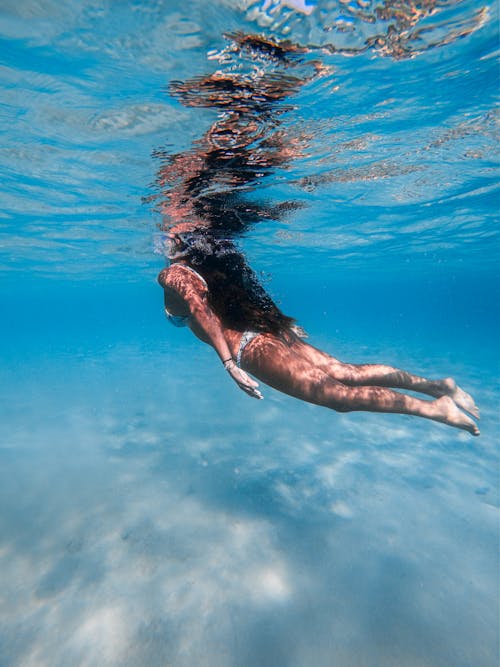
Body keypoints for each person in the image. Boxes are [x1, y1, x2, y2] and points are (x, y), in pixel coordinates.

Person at [158, 233, 480, 436]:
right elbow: (244, 290)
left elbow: (200, 309)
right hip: (265, 335)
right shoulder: (210, 264)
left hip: (250, 347)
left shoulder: (171, 273)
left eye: (164, 234)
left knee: (339, 396)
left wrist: (229, 363)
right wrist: (279, 323)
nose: (161, 241)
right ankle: (437, 386)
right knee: (346, 373)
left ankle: (434, 408)